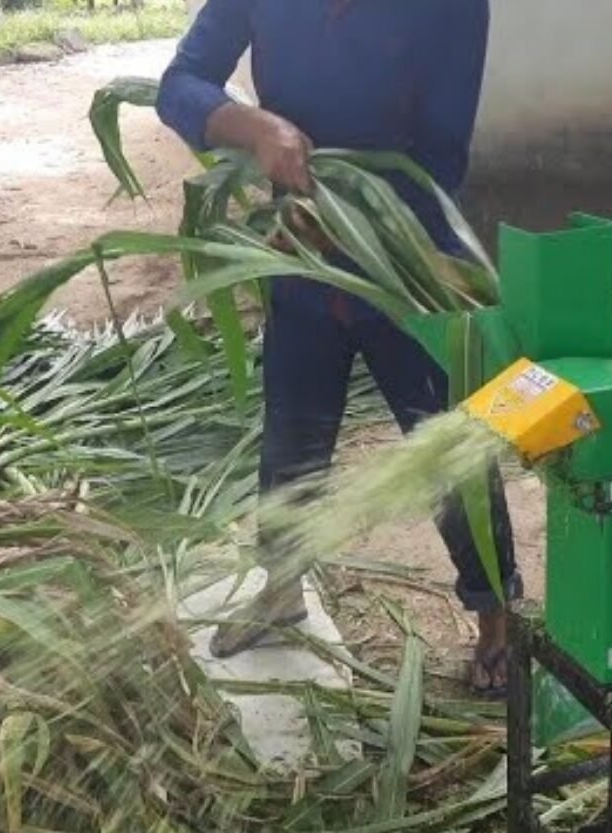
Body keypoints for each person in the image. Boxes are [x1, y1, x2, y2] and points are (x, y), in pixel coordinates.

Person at [155, 0, 521, 696]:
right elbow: (181, 83)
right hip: (297, 251)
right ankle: (282, 587)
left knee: (447, 443)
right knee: (292, 431)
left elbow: (440, 155)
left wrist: (354, 232)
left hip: (404, 262)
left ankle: (496, 620)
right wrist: (255, 126)